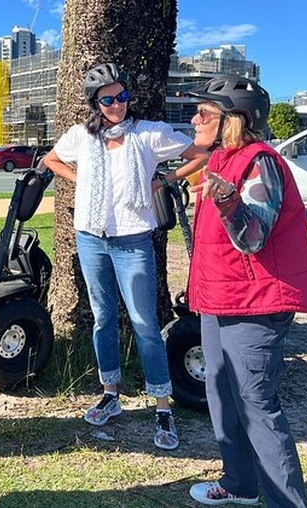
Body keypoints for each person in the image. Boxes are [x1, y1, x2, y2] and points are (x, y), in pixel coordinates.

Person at [43, 62, 208, 450]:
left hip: (133, 240)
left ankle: (162, 407)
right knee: (102, 318)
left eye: (121, 96)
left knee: (144, 322)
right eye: (107, 99)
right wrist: (80, 180)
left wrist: (165, 180)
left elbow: (200, 153)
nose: (116, 104)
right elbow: (51, 159)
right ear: (96, 103)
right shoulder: (82, 137)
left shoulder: (149, 133)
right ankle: (110, 393)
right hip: (90, 237)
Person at [185, 75, 307, 507]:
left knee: (256, 404)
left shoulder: (259, 162)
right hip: (218, 298)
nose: (195, 119)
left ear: (232, 120)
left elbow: (254, 236)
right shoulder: (221, 160)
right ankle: (241, 485)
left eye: (204, 112)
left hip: (255, 304)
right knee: (220, 394)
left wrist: (227, 199)